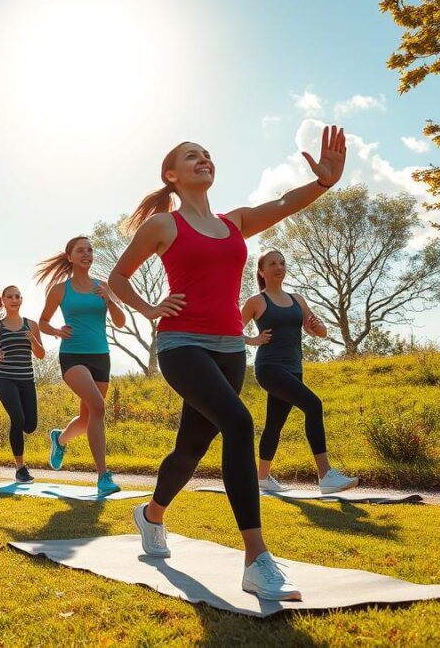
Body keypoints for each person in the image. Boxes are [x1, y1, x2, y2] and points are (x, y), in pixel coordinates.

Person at [108, 126, 347, 601]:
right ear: (171, 175)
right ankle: (257, 559)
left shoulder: (233, 222)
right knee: (239, 423)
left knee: (191, 449)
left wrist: (324, 183)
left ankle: (151, 514)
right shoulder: (164, 225)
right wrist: (151, 309)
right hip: (182, 346)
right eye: (192, 156)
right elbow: (117, 275)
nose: (204, 159)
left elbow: (281, 205)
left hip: (230, 349)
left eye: (208, 154)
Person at [242, 250, 358, 494]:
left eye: (282, 263)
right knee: (313, 405)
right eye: (272, 263)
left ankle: (262, 477)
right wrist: (253, 340)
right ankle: (326, 475)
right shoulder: (257, 301)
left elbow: (322, 332)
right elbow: (230, 330)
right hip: (270, 368)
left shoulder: (297, 299)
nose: (279, 267)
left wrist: (317, 327)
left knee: (275, 422)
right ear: (261, 271)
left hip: (294, 367)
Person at [37, 237, 127, 495]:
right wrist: (56, 330)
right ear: (70, 257)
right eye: (81, 250)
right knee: (98, 405)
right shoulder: (60, 289)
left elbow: (120, 322)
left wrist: (109, 299)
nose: (87, 254)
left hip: (101, 356)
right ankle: (103, 477)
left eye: (90, 250)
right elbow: (43, 322)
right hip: (73, 356)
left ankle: (60, 439)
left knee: (89, 417)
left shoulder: (103, 286)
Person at [0, 286, 45, 483]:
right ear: (3, 300)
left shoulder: (31, 325)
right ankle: (20, 468)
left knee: (30, 426)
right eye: (10, 296)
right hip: (5, 379)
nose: (14, 299)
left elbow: (41, 355)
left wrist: (33, 339)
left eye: (18, 296)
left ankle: (20, 466)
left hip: (27, 379)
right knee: (17, 419)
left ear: (21, 300)